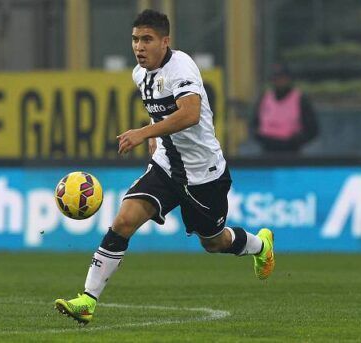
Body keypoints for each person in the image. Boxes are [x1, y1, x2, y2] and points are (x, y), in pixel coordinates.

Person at [54, 9, 275, 325]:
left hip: (204, 174)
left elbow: (189, 114)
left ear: (164, 41)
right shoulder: (139, 74)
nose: (139, 47)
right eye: (135, 39)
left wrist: (143, 133)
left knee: (212, 241)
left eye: (147, 39)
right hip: (167, 166)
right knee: (123, 220)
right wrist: (155, 136)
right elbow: (161, 111)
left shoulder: (181, 67)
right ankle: (87, 300)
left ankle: (260, 245)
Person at [252, 63, 319, 153]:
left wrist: (294, 141)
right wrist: (263, 139)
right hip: (267, 152)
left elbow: (312, 129)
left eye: (282, 77)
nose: (279, 81)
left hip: (291, 153)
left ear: (289, 78)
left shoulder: (300, 99)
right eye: (276, 78)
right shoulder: (265, 98)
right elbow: (254, 126)